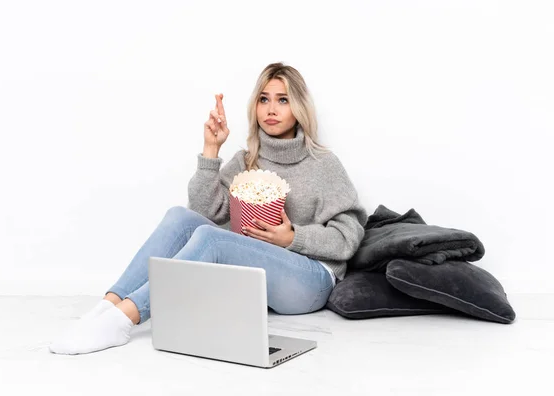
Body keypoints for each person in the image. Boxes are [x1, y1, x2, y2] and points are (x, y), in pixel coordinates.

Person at [49, 62, 368, 355]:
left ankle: (124, 320)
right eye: (263, 99)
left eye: (283, 100)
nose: (271, 109)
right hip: (261, 278)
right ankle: (107, 307)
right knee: (180, 217)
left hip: (312, 280)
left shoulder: (323, 164)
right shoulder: (247, 161)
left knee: (212, 239)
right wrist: (211, 149)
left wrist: (293, 238)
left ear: (299, 107)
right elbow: (206, 213)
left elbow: (348, 238)